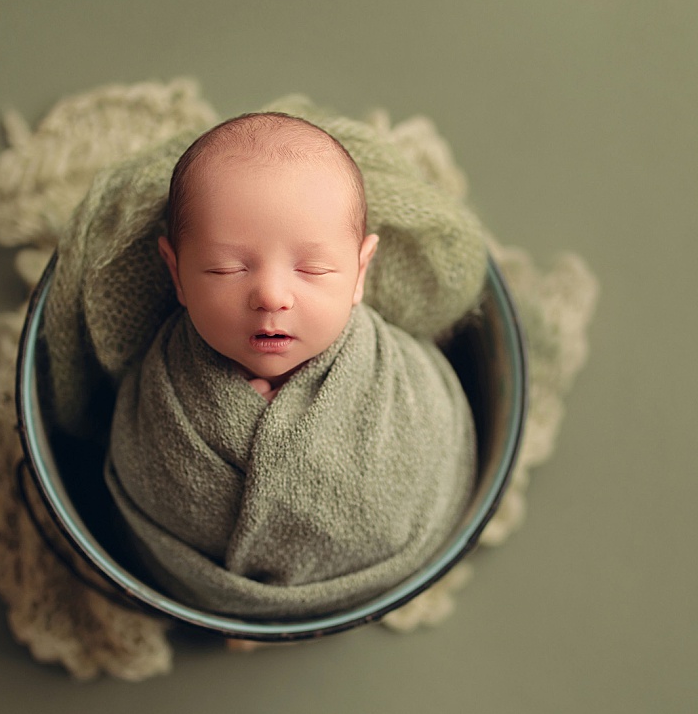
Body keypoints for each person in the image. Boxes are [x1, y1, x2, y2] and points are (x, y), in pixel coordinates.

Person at [102, 111, 479, 619]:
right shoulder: (165, 381)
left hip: (385, 568)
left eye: (314, 269)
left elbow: (426, 449)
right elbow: (148, 470)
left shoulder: (394, 376)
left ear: (360, 271)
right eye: (226, 267)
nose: (272, 295)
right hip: (195, 584)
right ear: (177, 273)